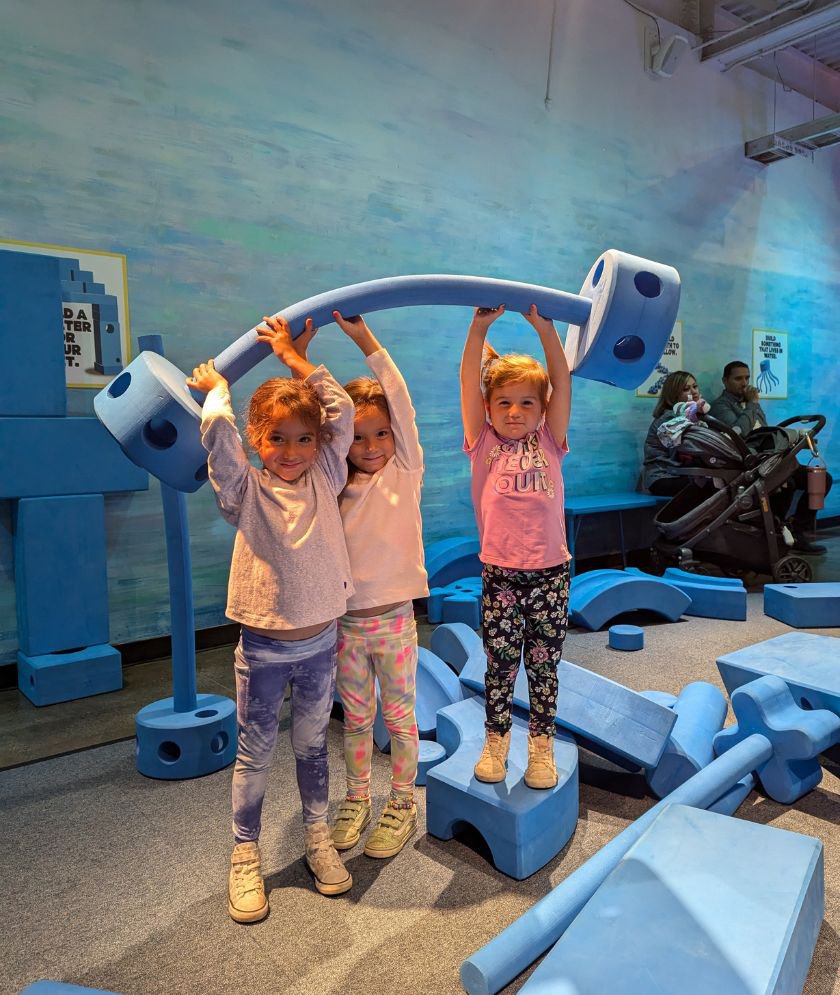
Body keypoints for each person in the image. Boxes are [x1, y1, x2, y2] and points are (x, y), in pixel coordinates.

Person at [187, 313, 355, 924]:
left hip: (320, 645)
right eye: (277, 439)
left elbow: (340, 408)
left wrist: (293, 356)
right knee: (254, 755)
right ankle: (245, 853)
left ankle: (316, 837)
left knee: (312, 748)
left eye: (303, 439)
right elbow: (221, 440)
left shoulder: (329, 475)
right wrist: (218, 392)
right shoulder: (243, 489)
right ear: (258, 440)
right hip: (263, 649)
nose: (291, 452)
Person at [328, 311, 429, 859]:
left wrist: (363, 338)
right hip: (346, 624)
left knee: (400, 717)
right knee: (356, 719)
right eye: (358, 436)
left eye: (381, 433)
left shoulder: (404, 470)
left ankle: (402, 802)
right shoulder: (335, 486)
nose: (371, 445)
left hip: (393, 621)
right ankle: (358, 797)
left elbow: (400, 397)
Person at [460, 303, 572, 790]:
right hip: (500, 573)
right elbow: (469, 380)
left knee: (544, 666)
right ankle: (496, 741)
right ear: (488, 407)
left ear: (543, 409)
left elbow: (561, 380)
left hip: (550, 572)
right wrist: (478, 327)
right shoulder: (481, 440)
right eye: (504, 402)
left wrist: (544, 329)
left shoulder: (551, 439)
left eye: (527, 402)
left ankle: (541, 746)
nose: (514, 412)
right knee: (500, 664)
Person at [709, 360, 831, 554]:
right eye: (738, 378)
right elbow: (740, 433)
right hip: (751, 466)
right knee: (787, 483)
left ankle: (798, 530)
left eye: (747, 378)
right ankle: (773, 533)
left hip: (770, 461)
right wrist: (752, 404)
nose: (744, 383)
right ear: (725, 381)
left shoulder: (752, 404)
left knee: (822, 478)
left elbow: (765, 433)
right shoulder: (719, 407)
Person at [641, 370, 704, 497]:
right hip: (662, 477)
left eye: (695, 386)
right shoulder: (670, 420)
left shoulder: (689, 417)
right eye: (686, 389)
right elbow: (691, 447)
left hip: (675, 474)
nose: (694, 391)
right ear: (674, 395)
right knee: (708, 486)